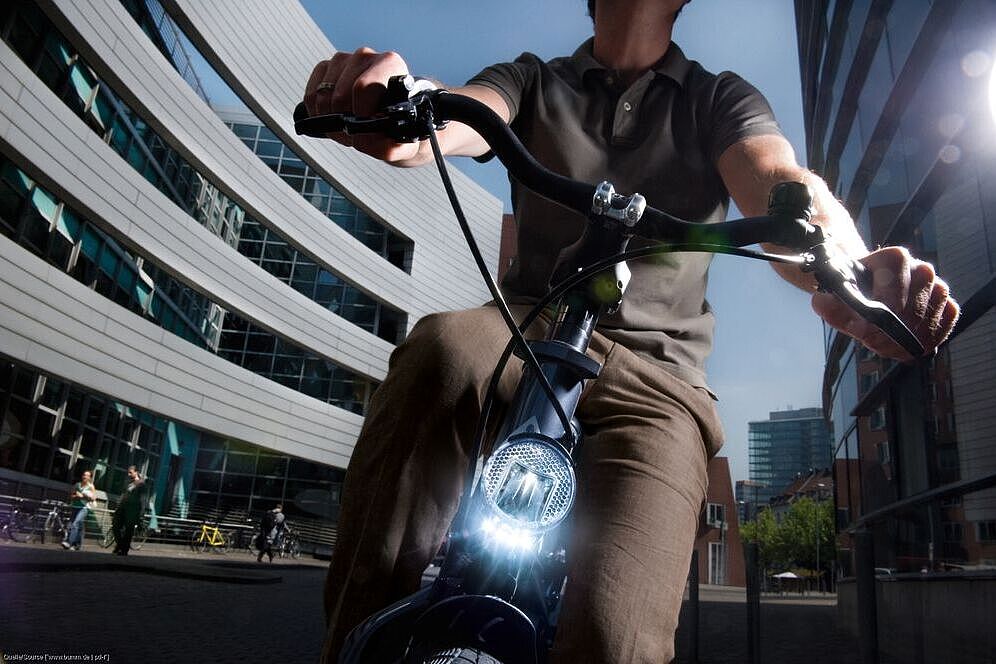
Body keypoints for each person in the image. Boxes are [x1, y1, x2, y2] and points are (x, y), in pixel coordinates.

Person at [303, 1, 960, 661]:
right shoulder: (534, 80)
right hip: (521, 331)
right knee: (440, 349)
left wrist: (848, 260)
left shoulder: (717, 98)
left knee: (616, 633)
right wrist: (397, 98)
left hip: (660, 374)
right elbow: (462, 116)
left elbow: (778, 182)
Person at [111, 465, 145, 556]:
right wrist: (118, 505)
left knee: (129, 530)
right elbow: (123, 495)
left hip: (133, 510)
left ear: (136, 472)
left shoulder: (141, 483)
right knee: (115, 525)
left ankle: (123, 549)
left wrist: (141, 513)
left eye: (131, 472)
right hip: (122, 507)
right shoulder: (127, 482)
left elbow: (142, 498)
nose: (129, 474)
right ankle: (120, 545)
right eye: (128, 472)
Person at [62, 469, 96, 551]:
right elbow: (72, 496)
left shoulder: (91, 486)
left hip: (84, 508)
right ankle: (77, 545)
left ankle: (69, 542)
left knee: (75, 523)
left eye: (87, 475)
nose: (85, 477)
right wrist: (76, 496)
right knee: (75, 526)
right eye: (84, 475)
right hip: (75, 507)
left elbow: (93, 498)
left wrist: (83, 496)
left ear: (90, 478)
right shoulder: (77, 485)